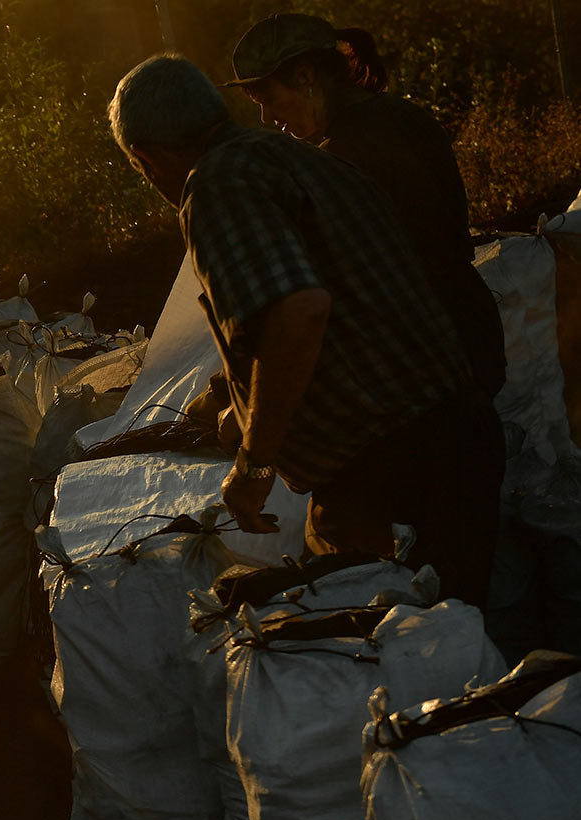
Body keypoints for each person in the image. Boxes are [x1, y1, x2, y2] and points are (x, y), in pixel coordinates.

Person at [110, 54, 504, 609]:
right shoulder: (298, 159)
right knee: (446, 647)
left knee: (366, 649)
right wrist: (237, 402)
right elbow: (331, 302)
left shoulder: (215, 185)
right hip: (460, 430)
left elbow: (299, 312)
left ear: (147, 159)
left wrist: (255, 466)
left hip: (384, 463)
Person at [223, 12, 507, 399]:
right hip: (472, 341)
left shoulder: (341, 158)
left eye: (269, 99)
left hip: (420, 374)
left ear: (306, 76)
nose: (267, 117)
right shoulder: (407, 117)